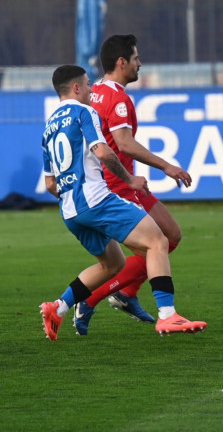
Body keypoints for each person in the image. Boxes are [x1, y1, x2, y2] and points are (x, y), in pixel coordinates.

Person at [39, 65, 206, 339]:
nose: (92, 90)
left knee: (112, 265)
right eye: (88, 85)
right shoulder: (84, 112)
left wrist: (76, 202)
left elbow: (49, 184)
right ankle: (167, 316)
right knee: (158, 240)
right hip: (96, 200)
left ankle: (58, 308)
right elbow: (103, 151)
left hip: (70, 210)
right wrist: (129, 180)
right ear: (77, 88)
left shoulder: (48, 128)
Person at [72, 34, 194, 335]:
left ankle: (124, 294)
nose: (140, 63)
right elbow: (124, 144)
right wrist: (167, 165)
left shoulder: (95, 90)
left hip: (111, 182)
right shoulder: (118, 98)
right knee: (163, 241)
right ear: (122, 62)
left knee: (168, 237)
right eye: (136, 58)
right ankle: (92, 300)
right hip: (119, 186)